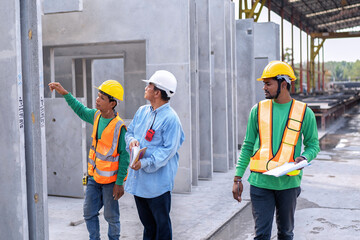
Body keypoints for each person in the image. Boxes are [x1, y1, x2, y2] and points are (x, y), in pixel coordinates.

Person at [232, 61, 320, 240]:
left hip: (288, 185)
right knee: (261, 235)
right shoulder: (257, 111)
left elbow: (313, 145)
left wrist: (304, 157)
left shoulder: (304, 112)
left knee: (286, 234)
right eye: (263, 83)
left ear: (283, 84)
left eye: (268, 83)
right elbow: (248, 145)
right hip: (260, 183)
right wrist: (237, 177)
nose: (264, 88)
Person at [49, 80, 129, 240]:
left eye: (102, 98)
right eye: (98, 96)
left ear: (112, 103)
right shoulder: (97, 116)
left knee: (111, 217)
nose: (97, 100)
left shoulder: (119, 127)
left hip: (111, 182)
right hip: (93, 178)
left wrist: (119, 183)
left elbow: (125, 156)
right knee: (88, 212)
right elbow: (79, 109)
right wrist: (64, 93)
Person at [124, 70, 185, 240]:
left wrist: (144, 163)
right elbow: (129, 132)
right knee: (148, 226)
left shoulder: (171, 119)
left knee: (162, 226)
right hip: (140, 182)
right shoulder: (142, 111)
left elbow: (167, 151)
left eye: (149, 85)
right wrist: (132, 141)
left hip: (158, 184)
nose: (145, 87)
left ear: (157, 92)